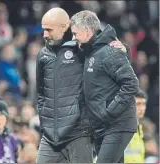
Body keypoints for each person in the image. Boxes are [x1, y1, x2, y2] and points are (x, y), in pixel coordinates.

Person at [36, 8, 128, 163]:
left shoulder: (81, 48)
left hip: (78, 133)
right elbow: (40, 93)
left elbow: (108, 52)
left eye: (48, 30)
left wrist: (125, 49)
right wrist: (45, 121)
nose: (44, 34)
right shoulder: (43, 55)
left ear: (64, 27)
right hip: (50, 137)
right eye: (43, 30)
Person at [70, 10, 139, 163]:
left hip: (117, 124)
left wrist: (109, 112)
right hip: (103, 126)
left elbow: (131, 83)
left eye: (75, 34)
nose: (73, 38)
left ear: (87, 32)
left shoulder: (109, 51)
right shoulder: (90, 51)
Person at [124, 89, 147, 163]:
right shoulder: (122, 129)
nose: (142, 108)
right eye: (138, 104)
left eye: (143, 104)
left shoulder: (139, 130)